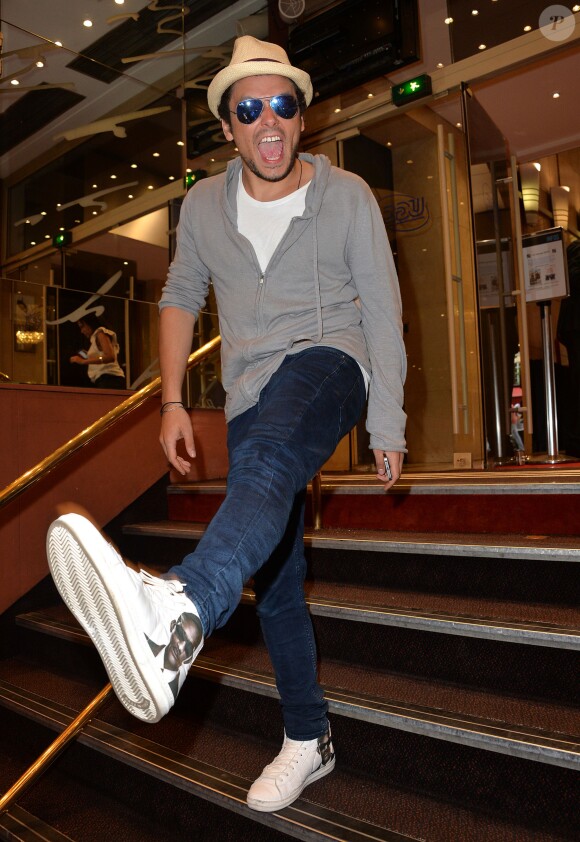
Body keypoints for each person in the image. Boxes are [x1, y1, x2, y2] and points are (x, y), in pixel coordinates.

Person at [46, 35, 406, 813]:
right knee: (274, 584)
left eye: (283, 104)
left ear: (302, 118)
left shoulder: (346, 195)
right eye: (251, 109)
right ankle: (310, 740)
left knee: (277, 448)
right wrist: (172, 401)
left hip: (331, 364)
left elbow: (382, 309)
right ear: (229, 125)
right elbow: (179, 295)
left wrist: (389, 420)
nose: (268, 121)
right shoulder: (204, 204)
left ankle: (178, 608)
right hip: (248, 394)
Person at [70, 312, 126, 389]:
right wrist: (89, 355)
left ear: (89, 323)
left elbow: (110, 357)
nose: (82, 331)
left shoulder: (100, 334)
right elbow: (103, 355)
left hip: (110, 378)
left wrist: (83, 361)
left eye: (82, 326)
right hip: (107, 379)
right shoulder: (95, 338)